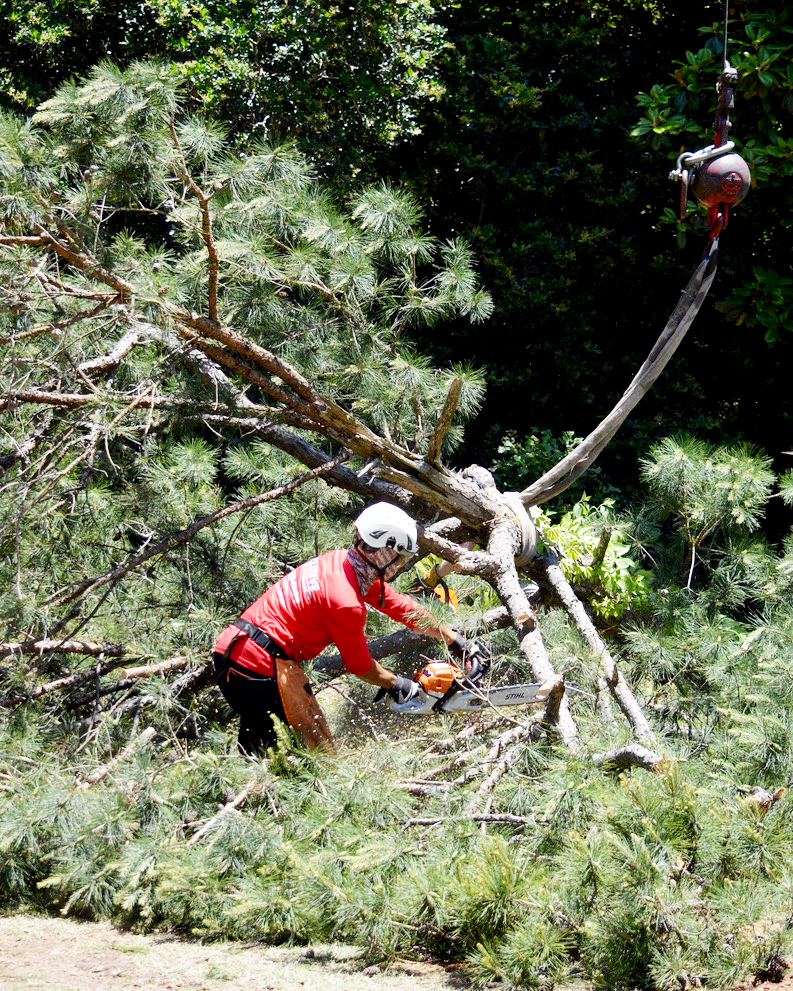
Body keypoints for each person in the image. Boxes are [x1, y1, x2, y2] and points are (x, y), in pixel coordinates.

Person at [212, 501, 483, 755]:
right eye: (398, 556)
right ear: (383, 551)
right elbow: (359, 664)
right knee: (309, 755)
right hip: (257, 667)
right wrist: (398, 684)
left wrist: (452, 637)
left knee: (271, 749)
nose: (400, 564)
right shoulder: (344, 601)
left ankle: (243, 798)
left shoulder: (343, 563)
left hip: (243, 652)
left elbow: (398, 605)